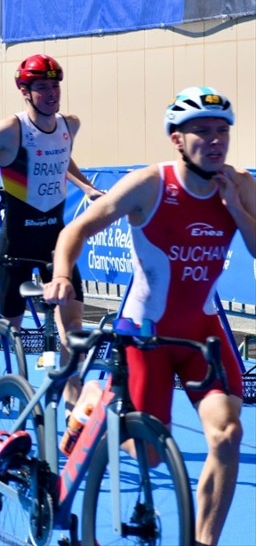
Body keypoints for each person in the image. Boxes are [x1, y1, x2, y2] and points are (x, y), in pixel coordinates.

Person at [49, 87, 254, 545]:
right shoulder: (150, 184)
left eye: (222, 130)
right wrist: (63, 275)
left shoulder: (238, 183)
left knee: (228, 434)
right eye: (201, 130)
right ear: (177, 140)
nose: (215, 139)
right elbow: (77, 229)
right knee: (150, 453)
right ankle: (93, 405)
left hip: (202, 331)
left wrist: (237, 211)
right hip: (147, 332)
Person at [0, 54, 101, 406]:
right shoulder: (10, 129)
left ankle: (73, 408)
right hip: (16, 242)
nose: (51, 93)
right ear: (24, 91)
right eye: (41, 87)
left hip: (55, 244)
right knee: (7, 329)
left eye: (54, 86)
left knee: (72, 327)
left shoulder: (69, 125)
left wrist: (86, 186)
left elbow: (61, 155)